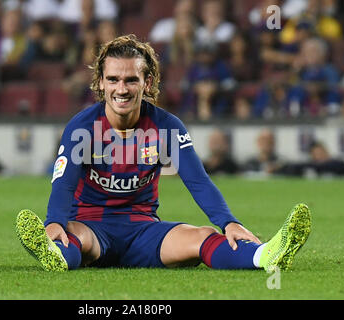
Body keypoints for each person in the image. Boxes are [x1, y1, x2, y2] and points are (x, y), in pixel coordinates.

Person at [16, 35, 311, 273]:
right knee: (70, 236)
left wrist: (228, 222)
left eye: (131, 79)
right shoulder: (81, 128)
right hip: (91, 228)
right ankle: (53, 251)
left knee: (204, 236)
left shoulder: (167, 127)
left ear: (147, 83)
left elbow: (198, 181)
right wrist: (54, 219)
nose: (122, 88)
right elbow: (64, 183)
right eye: (114, 79)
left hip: (145, 231)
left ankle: (265, 255)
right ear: (101, 83)